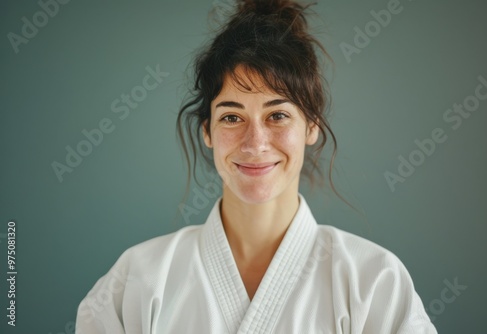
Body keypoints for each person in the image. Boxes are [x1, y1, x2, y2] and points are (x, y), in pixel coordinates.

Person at [75, 0, 437, 333]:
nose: (255, 143)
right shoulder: (137, 280)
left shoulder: (373, 282)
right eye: (232, 117)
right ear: (208, 131)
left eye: (278, 115)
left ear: (311, 125)